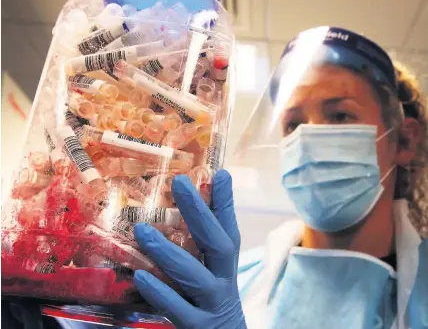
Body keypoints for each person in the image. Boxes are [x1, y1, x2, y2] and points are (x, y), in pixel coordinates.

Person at [3, 27, 427, 329]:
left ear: (404, 141)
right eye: (293, 124)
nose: (309, 138)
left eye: (340, 116)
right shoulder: (226, 282)